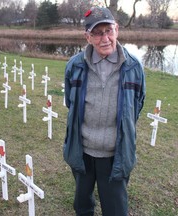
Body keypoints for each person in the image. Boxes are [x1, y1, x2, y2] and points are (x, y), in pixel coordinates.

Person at [63, 5, 146, 216]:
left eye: (108, 31)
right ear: (87, 37)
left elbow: (137, 105)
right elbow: (70, 104)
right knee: (82, 206)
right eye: (97, 33)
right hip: (83, 151)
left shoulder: (133, 67)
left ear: (117, 30)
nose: (105, 38)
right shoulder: (74, 66)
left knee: (116, 209)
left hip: (115, 154)